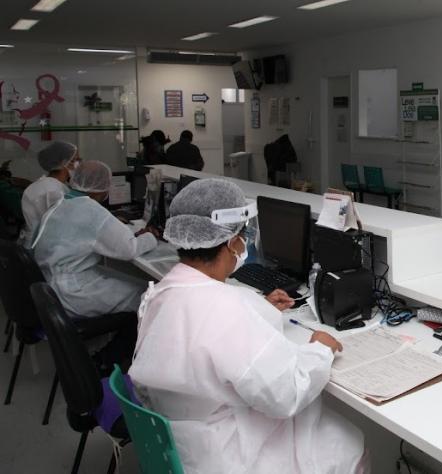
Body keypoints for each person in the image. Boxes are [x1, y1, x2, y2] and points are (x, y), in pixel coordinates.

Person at [130, 178, 367, 473]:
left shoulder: (159, 294)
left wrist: (259, 311)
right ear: (232, 243)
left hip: (181, 446)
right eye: (244, 234)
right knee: (348, 442)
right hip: (228, 456)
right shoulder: (228, 308)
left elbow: (200, 334)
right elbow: (285, 396)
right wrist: (321, 349)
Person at [31, 160, 158, 318]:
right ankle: (126, 341)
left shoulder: (59, 204)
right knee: (149, 295)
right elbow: (129, 250)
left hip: (49, 285)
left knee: (127, 279)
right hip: (71, 292)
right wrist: (151, 236)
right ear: (100, 188)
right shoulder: (91, 210)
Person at [19, 140, 79, 245]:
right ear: (64, 162)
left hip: (36, 245)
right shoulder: (53, 191)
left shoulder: (40, 185)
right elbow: (61, 227)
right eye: (77, 160)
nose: (79, 164)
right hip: (45, 248)